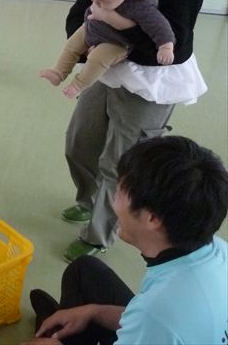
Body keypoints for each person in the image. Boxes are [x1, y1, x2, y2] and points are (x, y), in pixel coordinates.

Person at [59, 0, 206, 262]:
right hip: (105, 73)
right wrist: (86, 43)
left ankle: (99, 233)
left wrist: (119, 39)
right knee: (80, 143)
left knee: (120, 164)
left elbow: (178, 40)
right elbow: (80, 11)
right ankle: (89, 201)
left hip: (149, 81)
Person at [24, 136, 228, 345]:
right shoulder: (218, 251)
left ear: (153, 218)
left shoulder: (157, 314)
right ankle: (60, 331)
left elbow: (154, 321)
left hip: (159, 323)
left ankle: (55, 335)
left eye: (120, 191)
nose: (113, 200)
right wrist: (93, 312)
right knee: (83, 271)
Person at [39, 0, 175, 99]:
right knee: (72, 45)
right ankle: (58, 72)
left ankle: (78, 85)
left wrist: (166, 47)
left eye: (104, 1)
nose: (98, 4)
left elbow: (159, 25)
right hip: (92, 28)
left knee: (97, 58)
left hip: (116, 42)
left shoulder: (140, 5)